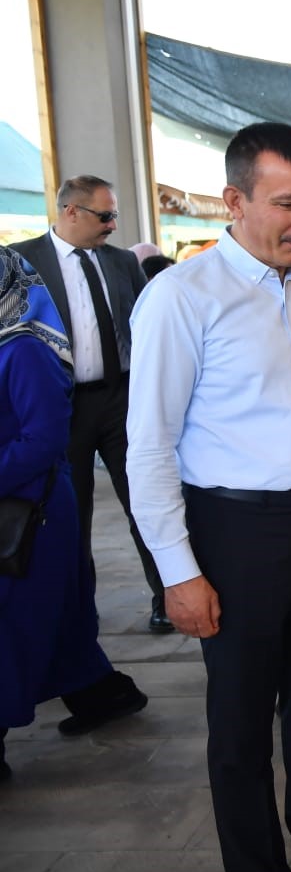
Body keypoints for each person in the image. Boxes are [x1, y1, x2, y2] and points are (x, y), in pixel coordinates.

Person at [127, 122, 291, 872]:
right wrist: (178, 572)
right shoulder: (181, 297)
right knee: (240, 725)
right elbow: (147, 449)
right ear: (234, 202)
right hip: (234, 531)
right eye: (286, 204)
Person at [0, 246, 148, 779]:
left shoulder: (23, 351)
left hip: (31, 509)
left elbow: (42, 441)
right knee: (52, 619)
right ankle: (101, 694)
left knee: (17, 621)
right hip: (22, 503)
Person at [10, 176, 169, 633]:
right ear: (71, 212)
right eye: (105, 216)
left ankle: (166, 595)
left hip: (123, 401)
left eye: (114, 214)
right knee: (69, 514)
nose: (114, 225)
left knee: (146, 501)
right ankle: (79, 611)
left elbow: (146, 328)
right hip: (63, 406)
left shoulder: (122, 263)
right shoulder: (23, 260)